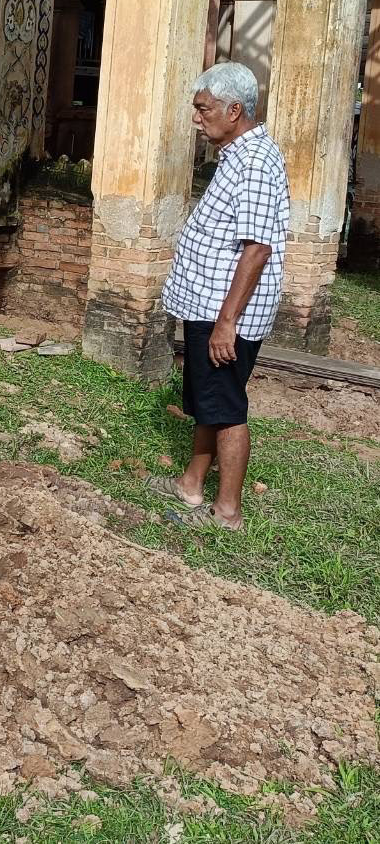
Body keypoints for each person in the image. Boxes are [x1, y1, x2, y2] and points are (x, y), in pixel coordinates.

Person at [151, 61, 289, 531]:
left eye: (203, 108)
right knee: (209, 399)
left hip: (224, 313)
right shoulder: (237, 155)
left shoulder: (252, 162)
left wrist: (227, 321)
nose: (196, 117)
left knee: (226, 407)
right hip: (209, 306)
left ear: (234, 110)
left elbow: (258, 247)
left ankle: (228, 511)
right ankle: (192, 482)